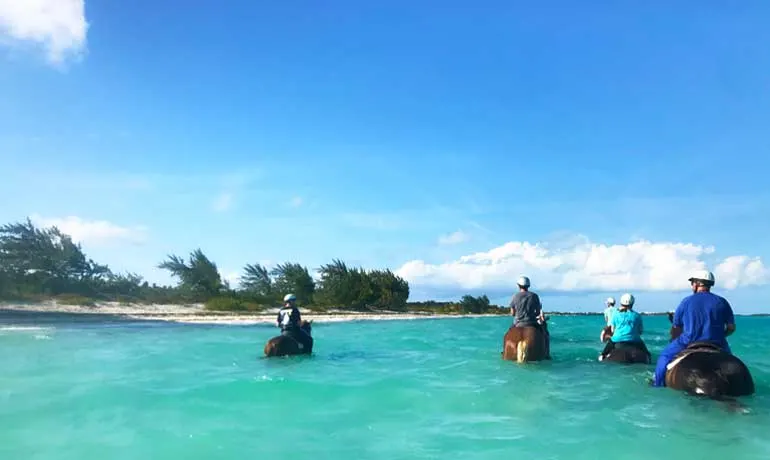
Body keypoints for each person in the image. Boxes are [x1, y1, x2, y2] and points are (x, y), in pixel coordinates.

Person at [651, 270, 736, 387]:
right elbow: (731, 328)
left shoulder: (686, 301)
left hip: (688, 341)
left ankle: (657, 384)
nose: (692, 286)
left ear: (696, 284)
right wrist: (721, 335)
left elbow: (676, 326)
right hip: (717, 342)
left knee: (664, 356)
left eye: (692, 283)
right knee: (731, 361)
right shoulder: (722, 302)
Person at [599, 293, 651, 362]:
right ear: (632, 303)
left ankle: (602, 356)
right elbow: (640, 331)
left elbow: (612, 330)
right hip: (635, 341)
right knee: (648, 355)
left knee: (604, 353)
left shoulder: (615, 314)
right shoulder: (637, 315)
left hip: (617, 340)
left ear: (621, 303)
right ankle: (649, 359)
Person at [509, 275, 551, 359]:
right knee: (545, 334)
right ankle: (547, 353)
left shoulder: (514, 296)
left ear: (518, 285)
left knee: (507, 334)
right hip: (531, 323)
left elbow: (512, 313)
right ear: (528, 286)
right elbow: (538, 312)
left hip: (517, 323)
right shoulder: (534, 296)